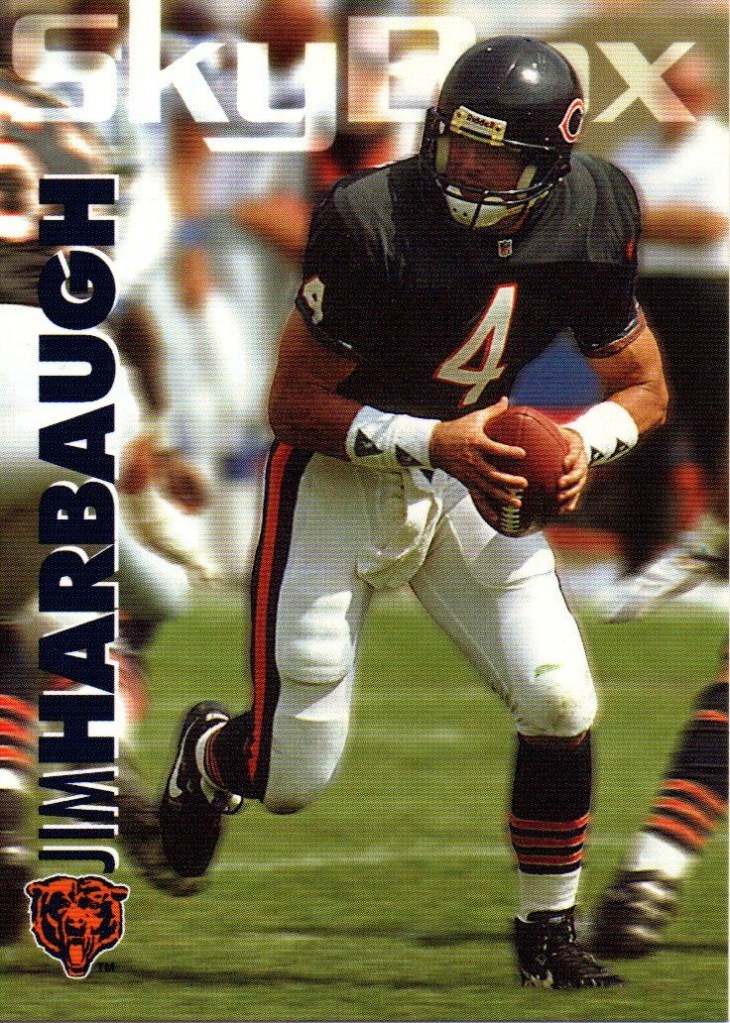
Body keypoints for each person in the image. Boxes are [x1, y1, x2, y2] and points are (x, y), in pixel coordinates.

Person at [158, 37, 669, 989]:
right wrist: (436, 441)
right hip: (343, 472)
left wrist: (583, 446)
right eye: (457, 141)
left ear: (552, 164)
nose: (468, 166)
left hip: (475, 471)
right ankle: (213, 755)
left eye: (497, 155)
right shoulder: (371, 217)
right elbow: (292, 405)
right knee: (292, 777)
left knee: (561, 698)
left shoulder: (598, 207)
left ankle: (547, 932)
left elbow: (643, 387)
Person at [597, 45, 728, 615]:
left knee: (716, 432)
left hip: (708, 300)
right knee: (641, 429)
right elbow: (606, 220)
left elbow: (710, 224)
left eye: (687, 93)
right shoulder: (633, 150)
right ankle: (637, 564)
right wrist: (656, 218)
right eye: (669, 92)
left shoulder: (719, 150)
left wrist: (642, 216)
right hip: (645, 298)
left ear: (706, 96)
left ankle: (720, 565)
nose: (677, 103)